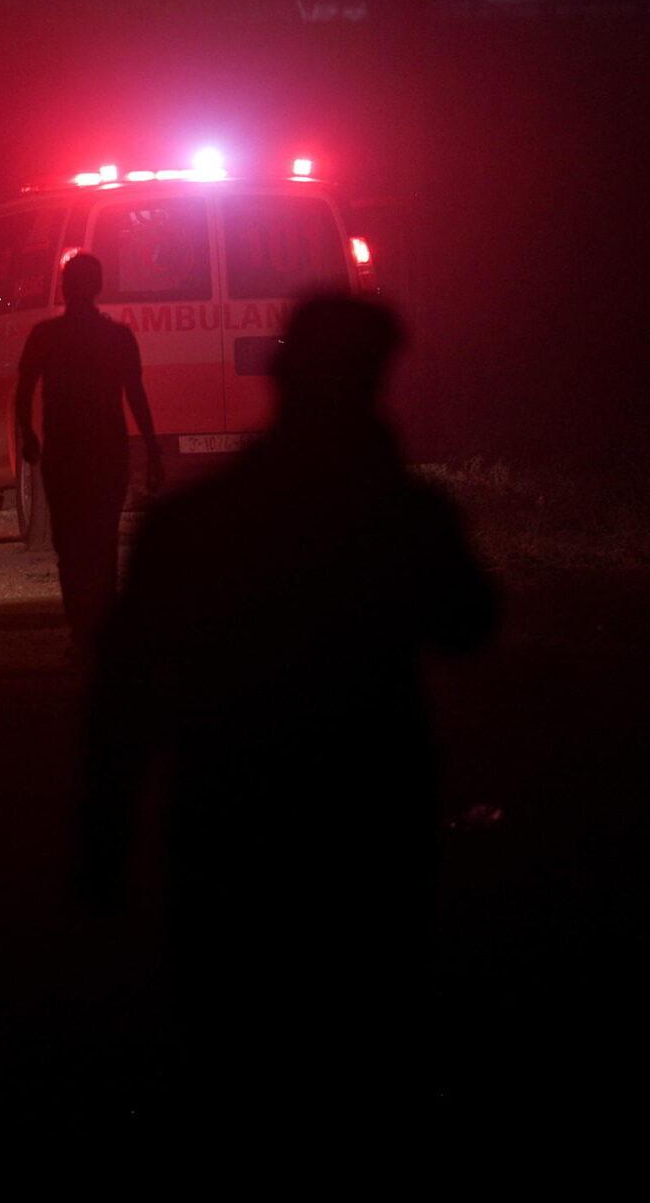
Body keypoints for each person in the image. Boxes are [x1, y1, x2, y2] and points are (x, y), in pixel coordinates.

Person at [77, 295, 496, 1103]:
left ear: (277, 375)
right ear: (378, 380)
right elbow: (470, 625)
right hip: (369, 829)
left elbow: (122, 692)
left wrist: (103, 837)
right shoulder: (403, 516)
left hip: (229, 829)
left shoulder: (194, 522)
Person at [14, 250, 159, 651]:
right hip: (106, 453)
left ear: (63, 287)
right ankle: (104, 636)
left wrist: (27, 435)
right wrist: (152, 449)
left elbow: (23, 393)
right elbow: (137, 396)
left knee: (71, 547)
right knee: (104, 545)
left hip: (64, 455)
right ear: (98, 287)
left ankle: (82, 633)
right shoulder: (117, 337)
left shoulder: (45, 336)